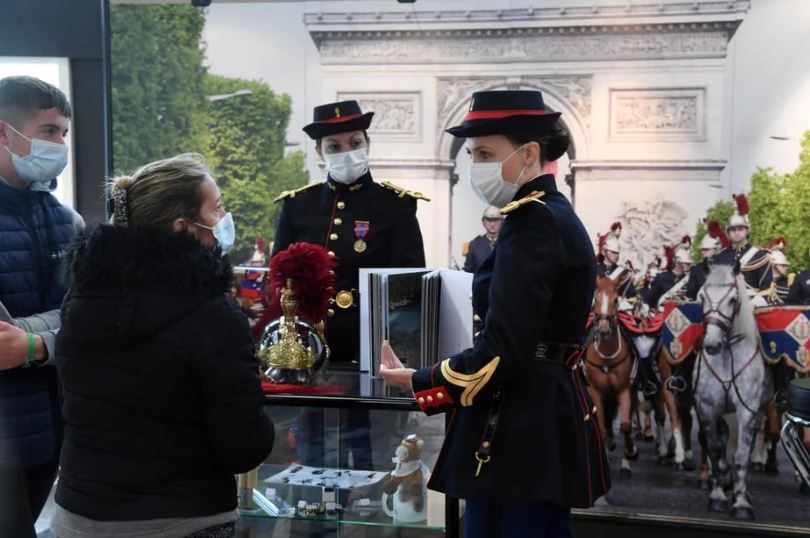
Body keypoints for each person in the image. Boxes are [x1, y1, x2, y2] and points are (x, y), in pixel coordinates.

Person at [379, 90, 610, 538]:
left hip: (521, 424)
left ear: (528, 154)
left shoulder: (533, 221)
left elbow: (506, 347)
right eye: (472, 154)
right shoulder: (552, 214)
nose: (475, 166)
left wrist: (422, 380)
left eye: (486, 153)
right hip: (535, 412)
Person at [50, 154, 275, 538]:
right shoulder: (214, 316)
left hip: (78, 516)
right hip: (181, 519)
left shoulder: (81, 298)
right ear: (182, 226)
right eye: (216, 207)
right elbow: (243, 447)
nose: (224, 217)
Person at [272, 99, 427, 365]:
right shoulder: (298, 205)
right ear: (319, 151)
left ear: (367, 144)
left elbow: (408, 287)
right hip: (308, 346)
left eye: (355, 143)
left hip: (371, 347)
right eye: (334, 146)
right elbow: (279, 281)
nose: (347, 152)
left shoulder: (395, 205)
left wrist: (393, 350)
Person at [0, 76, 81, 538]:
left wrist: (30, 341)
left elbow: (84, 316)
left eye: (64, 133)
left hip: (50, 427)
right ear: (4, 132)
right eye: (49, 131)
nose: (60, 145)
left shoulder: (65, 219)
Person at [713, 194, 771, 300]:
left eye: (740, 229)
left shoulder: (760, 255)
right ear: (728, 233)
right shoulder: (720, 257)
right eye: (733, 230)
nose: (737, 233)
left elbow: (766, 289)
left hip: (753, 306)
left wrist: (754, 304)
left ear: (747, 230)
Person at [596, 222, 637, 300]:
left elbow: (631, 296)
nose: (616, 255)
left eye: (617, 253)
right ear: (604, 251)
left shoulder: (623, 272)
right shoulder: (594, 270)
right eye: (613, 252)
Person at [686, 220, 726, 300]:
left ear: (716, 249)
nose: (703, 252)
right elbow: (691, 295)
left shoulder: (727, 268)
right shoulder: (696, 270)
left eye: (706, 249)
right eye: (702, 249)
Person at [463, 206, 502, 273]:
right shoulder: (474, 245)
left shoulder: (509, 243)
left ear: (502, 222)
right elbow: (468, 272)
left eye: (496, 220)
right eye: (489, 220)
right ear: (483, 222)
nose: (492, 224)